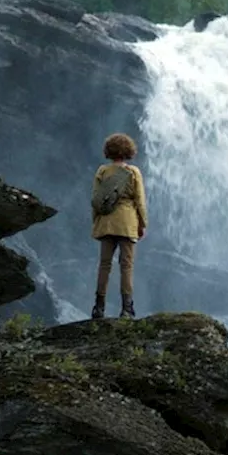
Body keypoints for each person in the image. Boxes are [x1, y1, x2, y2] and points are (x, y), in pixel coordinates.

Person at [91, 132, 147, 320]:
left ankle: (98, 307)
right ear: (129, 151)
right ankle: (126, 309)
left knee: (104, 265)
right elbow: (140, 201)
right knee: (127, 266)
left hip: (106, 222)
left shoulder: (102, 171)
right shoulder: (133, 172)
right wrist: (142, 223)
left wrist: (96, 222)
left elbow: (96, 200)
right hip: (128, 222)